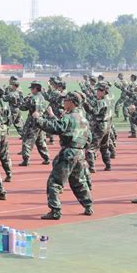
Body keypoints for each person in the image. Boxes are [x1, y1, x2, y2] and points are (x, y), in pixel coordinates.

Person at [31, 92, 93, 220]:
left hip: (69, 152)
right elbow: (89, 138)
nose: (63, 102)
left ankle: (55, 210)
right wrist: (52, 116)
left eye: (66, 100)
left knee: (54, 182)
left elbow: (57, 128)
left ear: (72, 102)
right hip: (79, 152)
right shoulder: (82, 117)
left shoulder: (69, 116)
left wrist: (39, 119)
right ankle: (88, 205)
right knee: (79, 181)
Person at [19, 81, 50, 166]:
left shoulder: (33, 98)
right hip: (41, 121)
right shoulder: (43, 98)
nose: (31, 90)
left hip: (32, 122)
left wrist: (22, 99)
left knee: (27, 140)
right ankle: (46, 157)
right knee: (40, 141)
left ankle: (26, 160)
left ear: (36, 88)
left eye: (32, 88)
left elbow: (23, 107)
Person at [84, 82, 112, 172]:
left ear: (104, 91)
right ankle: (108, 165)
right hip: (107, 126)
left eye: (99, 91)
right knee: (104, 147)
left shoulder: (101, 101)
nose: (97, 92)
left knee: (90, 148)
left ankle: (91, 167)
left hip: (99, 126)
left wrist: (85, 103)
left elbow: (93, 111)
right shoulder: (109, 99)